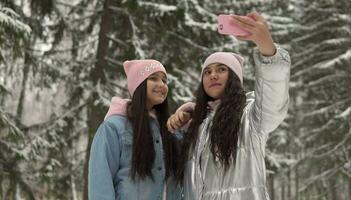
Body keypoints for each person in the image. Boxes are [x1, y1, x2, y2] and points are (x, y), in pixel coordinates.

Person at [167, 11, 291, 200]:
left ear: (234, 78)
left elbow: (273, 99)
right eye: (207, 72)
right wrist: (183, 124)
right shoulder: (197, 126)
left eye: (221, 69)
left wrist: (267, 47)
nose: (213, 75)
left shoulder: (250, 116)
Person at [88, 59, 181, 200]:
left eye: (164, 80)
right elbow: (100, 181)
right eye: (153, 78)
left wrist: (190, 112)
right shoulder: (114, 127)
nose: (161, 84)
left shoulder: (170, 129)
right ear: (139, 85)